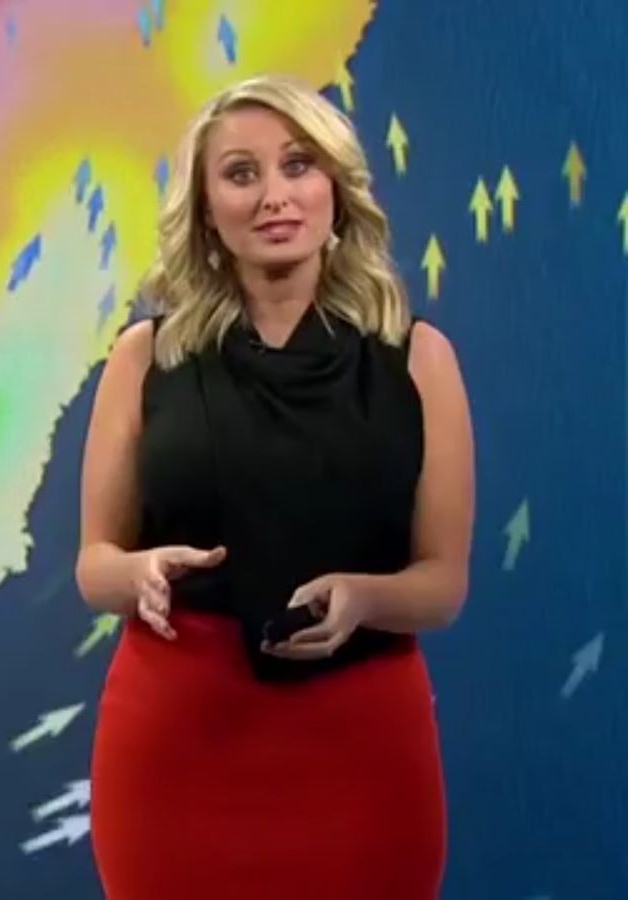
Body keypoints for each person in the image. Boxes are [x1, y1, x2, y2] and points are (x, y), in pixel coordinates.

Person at [74, 73, 475, 899]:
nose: (274, 196)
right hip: (177, 743)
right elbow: (95, 564)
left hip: (361, 745)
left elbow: (441, 584)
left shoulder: (418, 360)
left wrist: (365, 597)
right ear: (206, 209)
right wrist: (139, 575)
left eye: (297, 165)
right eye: (241, 173)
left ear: (336, 187)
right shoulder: (146, 359)